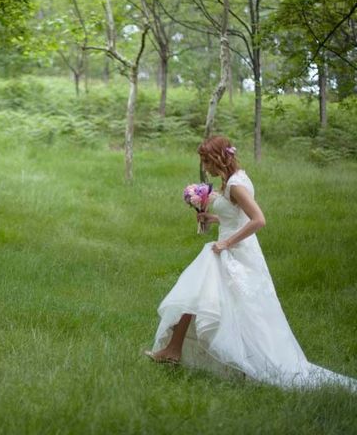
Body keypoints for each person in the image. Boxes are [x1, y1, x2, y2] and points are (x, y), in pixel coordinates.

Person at [143, 135, 357, 392]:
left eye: (205, 160)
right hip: (230, 248)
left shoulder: (235, 185)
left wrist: (226, 243)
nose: (204, 166)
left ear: (217, 159)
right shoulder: (233, 179)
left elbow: (258, 220)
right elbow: (237, 216)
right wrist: (213, 218)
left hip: (234, 252)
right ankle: (173, 349)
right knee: (200, 294)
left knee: (234, 306)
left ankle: (233, 359)